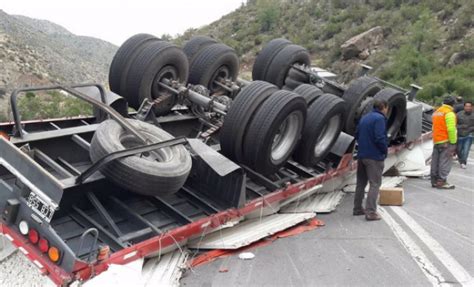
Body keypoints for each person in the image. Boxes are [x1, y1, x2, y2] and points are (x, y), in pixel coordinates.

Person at [353, 99, 388, 221]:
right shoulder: (380, 119)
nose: (386, 111)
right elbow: (379, 137)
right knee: (375, 184)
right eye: (386, 109)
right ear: (383, 107)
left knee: (361, 183)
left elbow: (356, 134)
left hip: (362, 155)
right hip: (374, 157)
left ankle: (357, 209)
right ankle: (371, 212)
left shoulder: (365, 118)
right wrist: (384, 150)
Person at [430, 96, 457, 189]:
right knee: (445, 162)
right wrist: (453, 142)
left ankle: (434, 181)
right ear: (453, 104)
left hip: (436, 140)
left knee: (435, 161)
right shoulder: (449, 113)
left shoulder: (437, 112)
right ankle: (441, 182)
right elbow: (451, 129)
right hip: (446, 141)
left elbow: (433, 127)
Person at [456, 101, 474, 169]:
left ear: (472, 107)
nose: (468, 108)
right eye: (466, 106)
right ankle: (461, 160)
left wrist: (470, 128)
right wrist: (461, 126)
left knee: (466, 149)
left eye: (469, 106)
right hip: (459, 135)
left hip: (469, 135)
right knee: (459, 150)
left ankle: (463, 162)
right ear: (464, 107)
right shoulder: (458, 114)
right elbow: (454, 124)